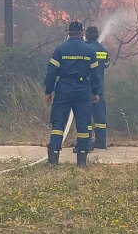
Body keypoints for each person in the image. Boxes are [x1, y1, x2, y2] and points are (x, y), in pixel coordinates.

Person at [44, 21, 101, 167]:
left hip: (64, 88)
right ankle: (81, 160)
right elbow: (95, 74)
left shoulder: (60, 49)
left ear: (68, 33)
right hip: (83, 90)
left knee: (58, 124)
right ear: (82, 33)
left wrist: (48, 91)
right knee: (83, 124)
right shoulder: (89, 50)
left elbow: (51, 72)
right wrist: (95, 92)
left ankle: (53, 159)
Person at [85, 26, 110, 149]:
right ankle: (101, 141)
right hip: (99, 88)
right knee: (100, 115)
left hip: (86, 88)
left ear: (86, 35)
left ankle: (87, 141)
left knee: (85, 114)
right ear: (97, 35)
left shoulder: (84, 49)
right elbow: (106, 65)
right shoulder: (103, 50)